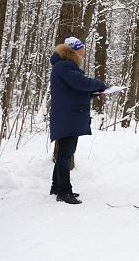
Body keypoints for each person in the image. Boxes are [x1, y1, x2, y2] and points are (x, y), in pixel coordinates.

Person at [50, 36, 107, 204]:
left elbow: (74, 91)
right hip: (67, 117)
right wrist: (100, 85)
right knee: (66, 153)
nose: (84, 52)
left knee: (64, 152)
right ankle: (64, 191)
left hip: (67, 115)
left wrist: (93, 93)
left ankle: (56, 186)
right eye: (81, 49)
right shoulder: (65, 66)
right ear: (73, 50)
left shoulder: (64, 66)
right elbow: (81, 83)